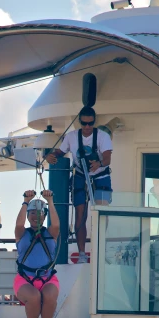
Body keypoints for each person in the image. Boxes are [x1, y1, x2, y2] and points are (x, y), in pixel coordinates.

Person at [45, 106, 113, 264]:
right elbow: (60, 153)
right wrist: (50, 156)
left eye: (90, 123)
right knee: (80, 215)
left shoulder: (103, 136)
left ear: (94, 122)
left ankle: (100, 250)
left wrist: (99, 163)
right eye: (84, 123)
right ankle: (82, 253)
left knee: (102, 214)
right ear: (80, 122)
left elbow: (107, 158)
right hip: (81, 176)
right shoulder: (71, 137)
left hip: (101, 177)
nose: (87, 127)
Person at [14, 189, 60, 318]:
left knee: (50, 298)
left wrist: (51, 202)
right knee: (34, 297)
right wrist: (26, 201)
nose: (36, 216)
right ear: (27, 216)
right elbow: (18, 224)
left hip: (47, 278)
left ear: (44, 215)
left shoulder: (51, 233)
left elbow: (56, 224)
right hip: (25, 279)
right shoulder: (22, 233)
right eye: (32, 213)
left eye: (40, 213)